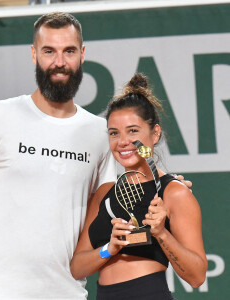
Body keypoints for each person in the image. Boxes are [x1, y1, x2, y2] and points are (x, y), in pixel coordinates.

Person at [0, 13, 192, 300]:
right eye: (49, 51)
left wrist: (167, 183)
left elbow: (116, 188)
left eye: (68, 51)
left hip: (67, 293)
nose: (59, 62)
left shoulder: (99, 132)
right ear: (34, 55)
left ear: (82, 55)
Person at [70, 73, 207, 299]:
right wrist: (109, 248)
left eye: (133, 131)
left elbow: (197, 276)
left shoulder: (175, 192)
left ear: (155, 133)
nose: (123, 141)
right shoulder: (105, 193)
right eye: (114, 133)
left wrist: (161, 232)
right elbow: (77, 268)